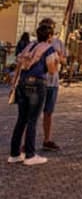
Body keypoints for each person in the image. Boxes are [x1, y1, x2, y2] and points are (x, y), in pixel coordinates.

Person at [9, 23, 59, 166]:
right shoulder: (48, 49)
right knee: (32, 120)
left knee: (21, 120)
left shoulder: (29, 46)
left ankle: (14, 154)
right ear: (49, 36)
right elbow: (51, 70)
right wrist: (57, 63)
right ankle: (30, 155)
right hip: (36, 84)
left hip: (22, 83)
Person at [41, 18, 66, 152]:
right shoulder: (37, 43)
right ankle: (26, 142)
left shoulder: (58, 43)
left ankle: (47, 139)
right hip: (41, 81)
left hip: (53, 82)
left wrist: (59, 56)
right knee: (32, 114)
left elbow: (63, 60)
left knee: (48, 112)